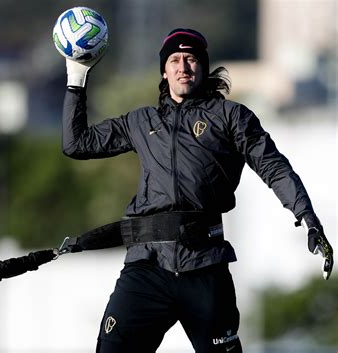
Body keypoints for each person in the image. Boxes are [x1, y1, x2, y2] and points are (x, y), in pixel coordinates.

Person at [60, 28, 333, 353]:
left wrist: (307, 216)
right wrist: (76, 78)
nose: (183, 66)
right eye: (174, 60)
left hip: (205, 266)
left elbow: (274, 167)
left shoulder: (231, 117)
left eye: (190, 59)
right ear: (164, 70)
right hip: (148, 267)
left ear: (203, 67)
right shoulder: (140, 121)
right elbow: (77, 144)